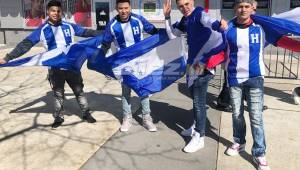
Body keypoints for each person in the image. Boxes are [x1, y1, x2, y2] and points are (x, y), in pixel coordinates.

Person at [0, 0, 101, 128]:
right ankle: (59, 117)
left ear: (61, 12)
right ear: (48, 12)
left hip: (71, 67)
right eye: (53, 11)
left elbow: (87, 32)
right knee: (58, 94)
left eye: (58, 11)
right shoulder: (43, 30)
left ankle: (86, 113)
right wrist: (8, 58)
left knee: (79, 91)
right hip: (55, 69)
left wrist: (104, 34)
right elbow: (26, 44)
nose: (56, 13)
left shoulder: (69, 26)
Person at [163, 0, 225, 153]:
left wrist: (220, 24)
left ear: (192, 2)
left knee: (198, 101)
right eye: (181, 6)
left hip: (203, 64)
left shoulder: (199, 14)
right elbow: (172, 35)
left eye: (187, 4)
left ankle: (199, 136)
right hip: (193, 64)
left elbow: (210, 22)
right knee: (194, 96)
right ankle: (196, 126)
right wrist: (167, 17)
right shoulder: (186, 19)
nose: (184, 8)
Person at [224, 1, 270, 170]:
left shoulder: (262, 27)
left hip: (255, 78)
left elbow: (281, 31)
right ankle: (239, 142)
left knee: (256, 118)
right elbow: (216, 45)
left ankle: (259, 153)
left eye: (246, 6)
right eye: (239, 6)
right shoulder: (228, 29)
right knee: (237, 114)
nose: (243, 9)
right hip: (235, 77)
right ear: (235, 9)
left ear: (253, 8)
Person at [100, 0, 158, 132]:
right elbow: (105, 43)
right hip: (124, 64)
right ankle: (127, 118)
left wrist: (167, 35)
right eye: (121, 8)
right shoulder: (112, 25)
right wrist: (99, 59)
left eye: (126, 8)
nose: (124, 11)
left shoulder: (138, 19)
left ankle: (146, 118)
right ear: (116, 8)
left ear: (130, 7)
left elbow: (153, 31)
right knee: (126, 92)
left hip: (140, 63)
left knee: (143, 90)